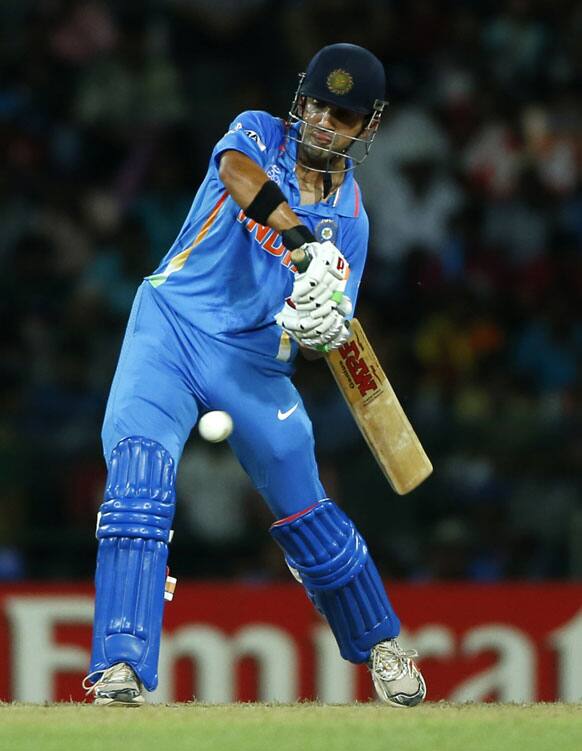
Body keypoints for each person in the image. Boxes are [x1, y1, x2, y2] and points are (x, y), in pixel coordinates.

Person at [83, 43, 427, 708]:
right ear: (302, 100)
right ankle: (120, 667)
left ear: (367, 127)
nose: (326, 122)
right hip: (170, 328)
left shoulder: (353, 220)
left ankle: (383, 644)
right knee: (136, 483)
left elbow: (329, 323)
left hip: (253, 363)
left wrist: (317, 323)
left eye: (345, 114)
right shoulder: (257, 134)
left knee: (308, 511)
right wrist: (302, 243)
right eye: (320, 105)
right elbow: (238, 175)